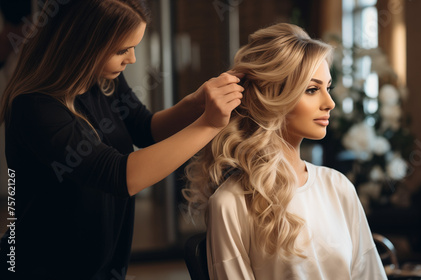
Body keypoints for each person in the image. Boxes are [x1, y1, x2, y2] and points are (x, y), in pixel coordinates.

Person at [0, 0, 243, 279]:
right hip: (40, 268)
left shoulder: (102, 81)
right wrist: (210, 124)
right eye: (122, 50)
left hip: (100, 265)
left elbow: (146, 129)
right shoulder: (35, 108)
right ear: (82, 45)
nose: (132, 59)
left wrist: (195, 104)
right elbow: (118, 175)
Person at [183, 23, 387, 280]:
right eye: (312, 90)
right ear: (273, 96)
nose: (330, 102)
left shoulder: (338, 187)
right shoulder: (231, 203)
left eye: (328, 87)